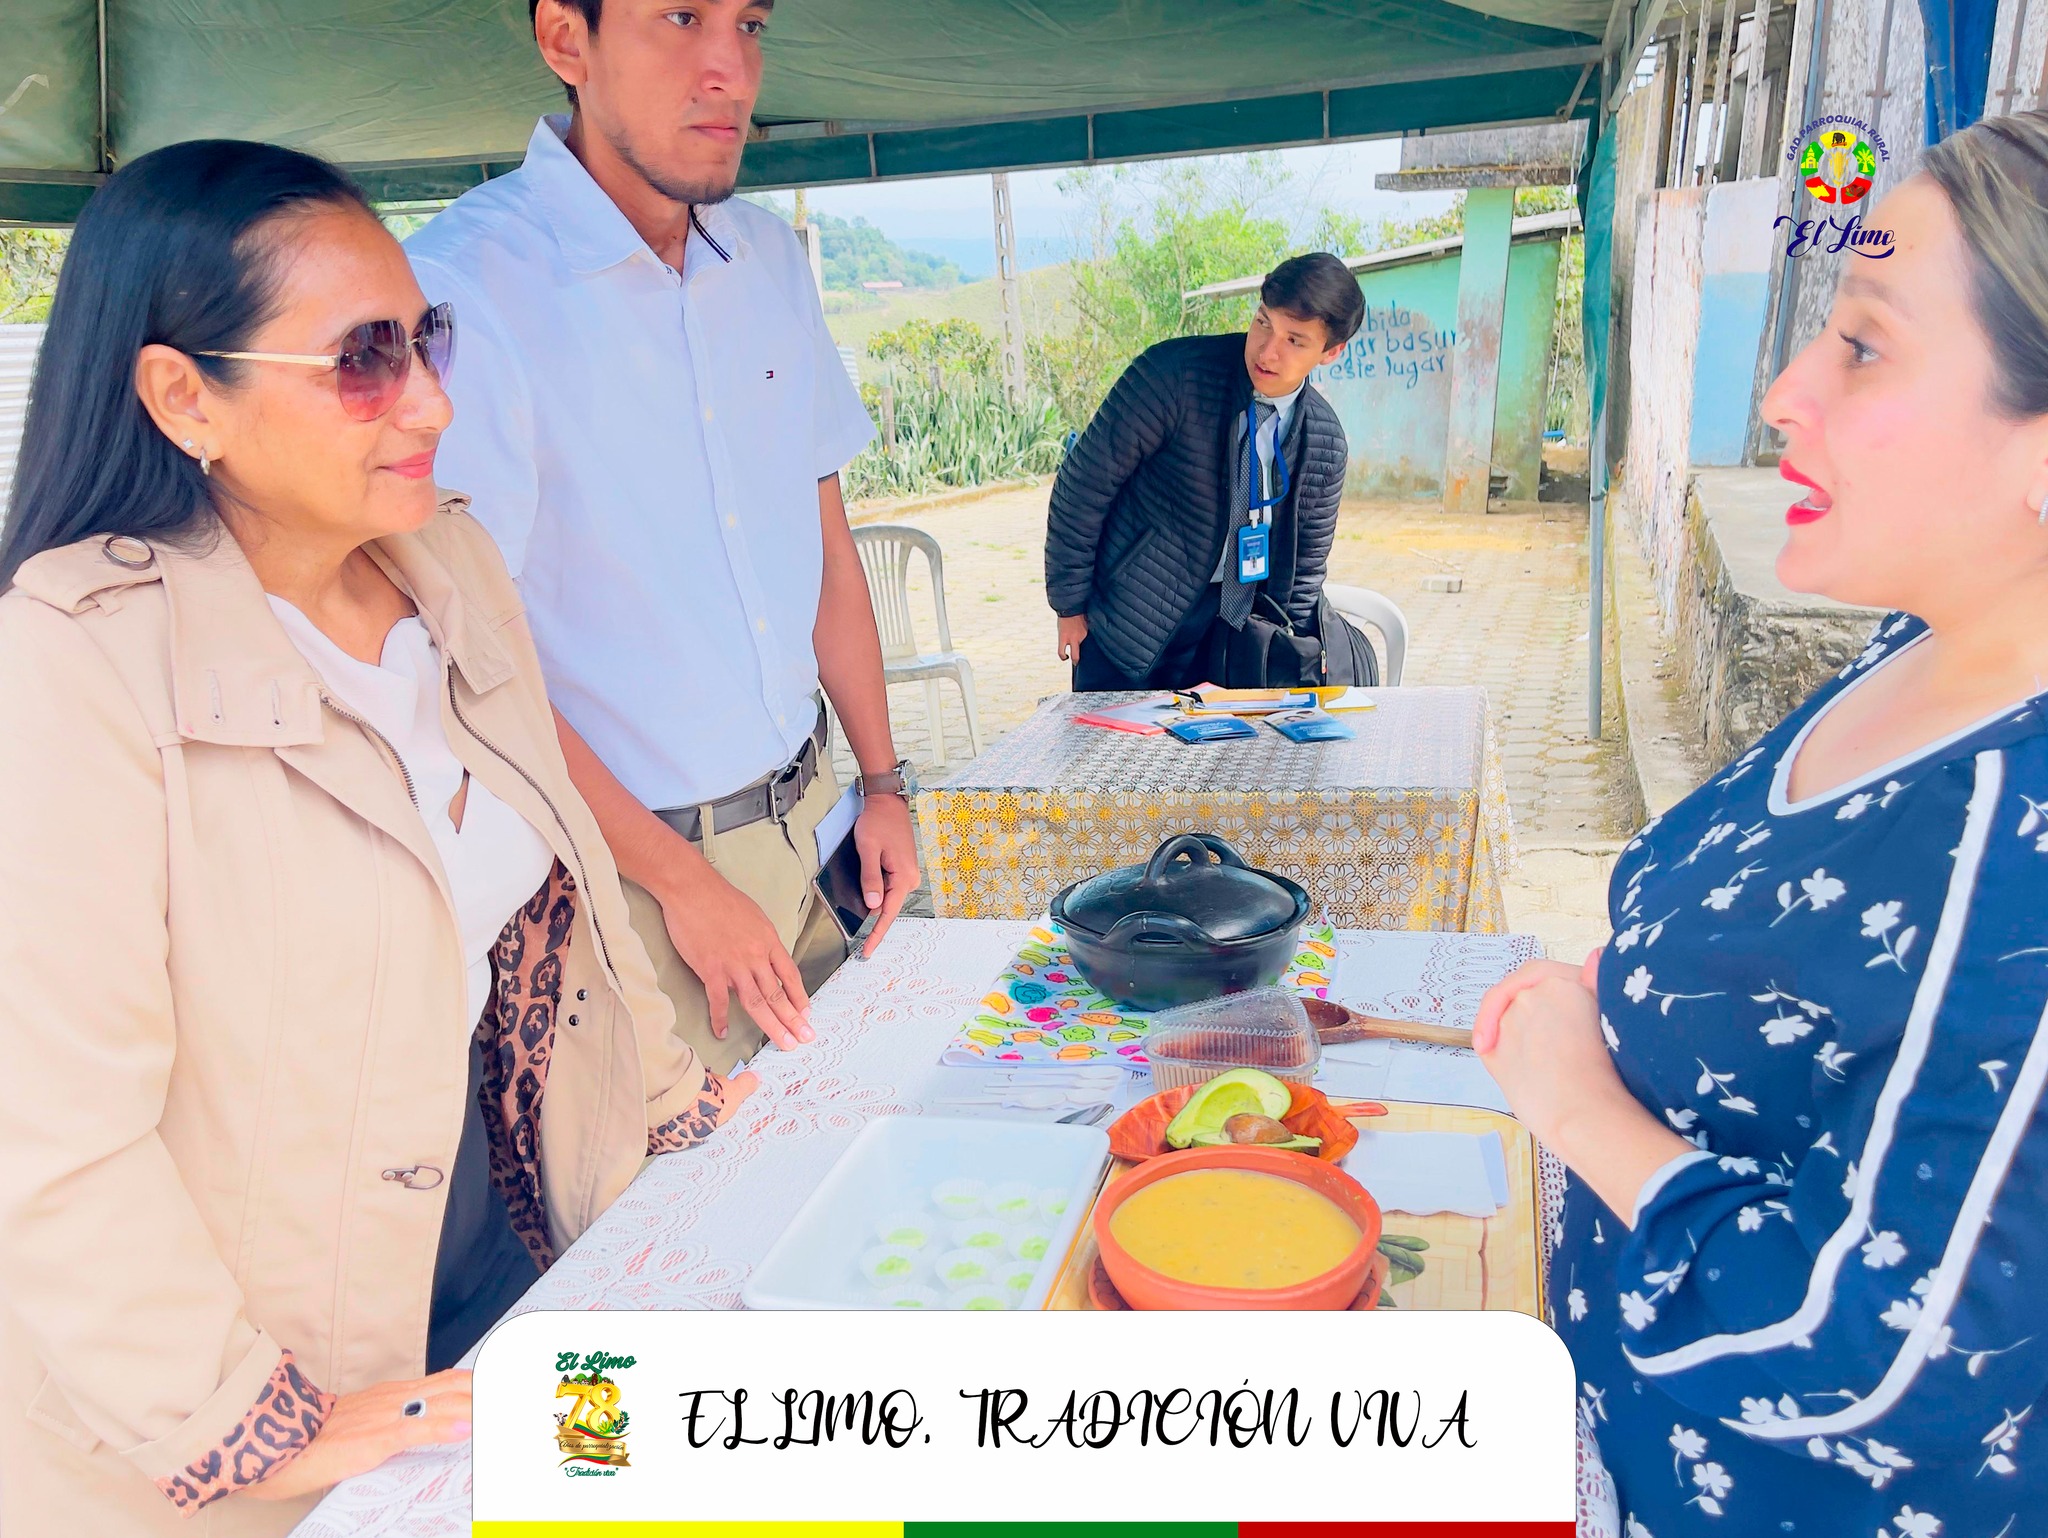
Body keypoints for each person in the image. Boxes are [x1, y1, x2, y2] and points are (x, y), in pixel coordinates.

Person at [0, 139, 752, 1536]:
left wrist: (680, 1118)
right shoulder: (70, 659)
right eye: (362, 359)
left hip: (502, 1239)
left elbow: (571, 887)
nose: (430, 399)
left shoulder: (447, 558)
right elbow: (52, 1133)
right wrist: (246, 1415)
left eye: (425, 337)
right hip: (239, 1367)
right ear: (184, 396)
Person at [1473, 110, 2048, 1535]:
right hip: (1609, 1428)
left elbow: (1874, 1359)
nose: (1786, 392)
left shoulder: (2023, 844)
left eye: (1862, 345)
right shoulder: (1918, 646)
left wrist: (1575, 1103)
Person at [406, 0, 919, 1079]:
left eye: (750, 24)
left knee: (865, 1148)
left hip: (819, 826)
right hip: (630, 881)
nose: (729, 68)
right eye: (681, 16)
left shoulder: (768, 256)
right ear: (566, 41)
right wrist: (678, 882)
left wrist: (883, 782)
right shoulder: (464, 289)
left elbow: (826, 544)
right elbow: (469, 661)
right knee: (698, 1187)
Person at [1044, 252, 1362, 691]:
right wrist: (1069, 604)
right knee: (1114, 738)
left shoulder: (1324, 440)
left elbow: (1306, 568)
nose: (1267, 351)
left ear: (1331, 352)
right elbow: (1082, 486)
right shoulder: (1172, 376)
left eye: (1294, 340)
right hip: (1130, 619)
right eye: (1263, 322)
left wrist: (1289, 651)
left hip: (1234, 638)